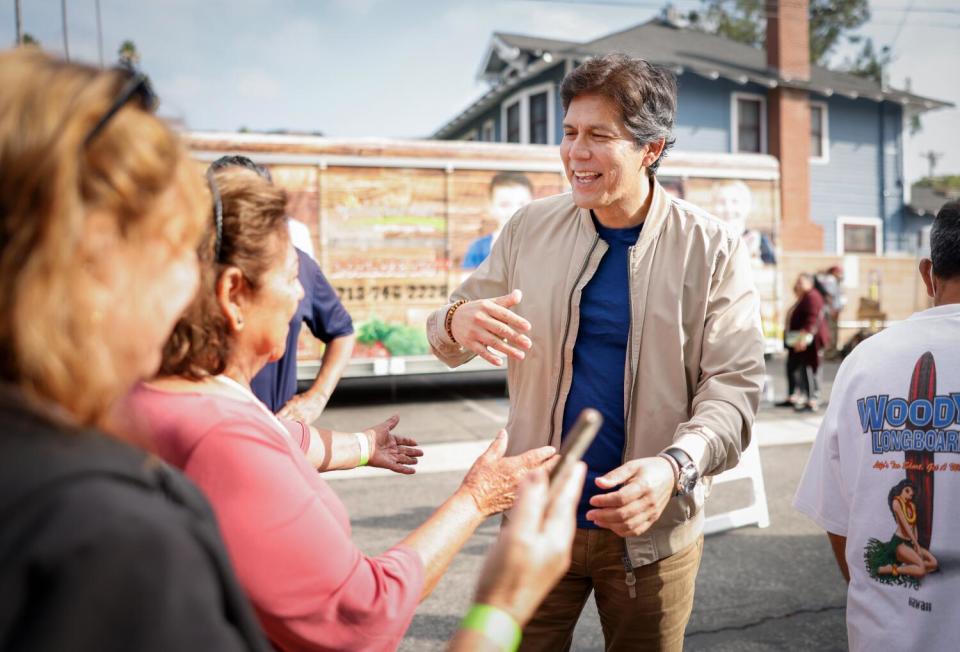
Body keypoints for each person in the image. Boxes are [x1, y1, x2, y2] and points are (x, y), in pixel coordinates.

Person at [122, 164, 556, 651]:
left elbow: (279, 437)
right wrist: (477, 504)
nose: (301, 293)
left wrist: (365, 446)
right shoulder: (219, 438)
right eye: (290, 277)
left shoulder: (167, 392)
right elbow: (363, 616)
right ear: (232, 295)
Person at [427, 53, 765, 651]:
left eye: (598, 136)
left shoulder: (712, 249)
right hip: (533, 519)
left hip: (651, 531)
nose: (575, 153)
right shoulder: (528, 228)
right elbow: (443, 328)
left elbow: (734, 389)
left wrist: (675, 468)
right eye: (569, 133)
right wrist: (459, 318)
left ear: (651, 149)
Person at [0, 50, 269, 650]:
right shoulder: (109, 537)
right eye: (176, 250)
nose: (189, 288)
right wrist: (497, 608)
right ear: (95, 261)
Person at [794, 200, 960, 651]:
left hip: (885, 636)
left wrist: (890, 599)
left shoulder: (866, 359)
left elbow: (836, 517)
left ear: (928, 274)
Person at [206, 155, 356, 423]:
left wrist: (317, 398)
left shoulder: (297, 265)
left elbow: (342, 332)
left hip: (277, 431)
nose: (297, 292)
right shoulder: (187, 273)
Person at [462, 172, 534, 270]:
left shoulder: (544, 244)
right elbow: (467, 281)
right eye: (504, 205)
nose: (514, 211)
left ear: (533, 205)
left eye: (522, 204)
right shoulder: (478, 248)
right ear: (491, 207)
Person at [781, 273, 829, 412]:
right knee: (803, 370)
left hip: (810, 342)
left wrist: (803, 338)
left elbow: (812, 319)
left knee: (811, 369)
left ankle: (813, 400)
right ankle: (806, 398)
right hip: (804, 341)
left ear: (810, 283)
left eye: (800, 282)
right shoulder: (805, 297)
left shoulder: (812, 297)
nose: (797, 285)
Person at [711, 179, 776, 265]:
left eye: (735, 201)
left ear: (747, 206)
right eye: (722, 202)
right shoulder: (708, 241)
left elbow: (772, 270)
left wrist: (756, 261)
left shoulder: (759, 241)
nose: (728, 209)